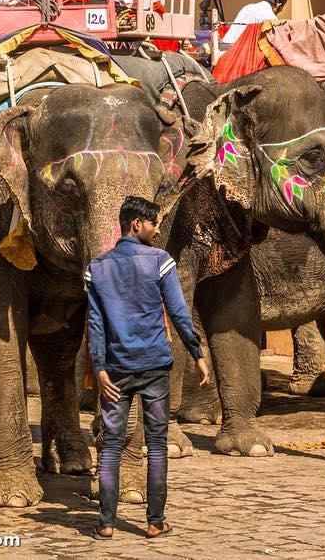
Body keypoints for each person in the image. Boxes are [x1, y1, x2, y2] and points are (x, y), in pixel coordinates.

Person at [85, 196, 210, 541]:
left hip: (115, 372)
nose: (157, 231)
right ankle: (155, 522)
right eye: (154, 224)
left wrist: (100, 369)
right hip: (155, 368)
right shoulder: (160, 261)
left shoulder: (97, 268)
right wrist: (197, 353)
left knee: (111, 446)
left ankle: (106, 523)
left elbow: (95, 324)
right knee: (156, 445)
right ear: (136, 224)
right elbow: (179, 313)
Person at [222, 0, 287, 44]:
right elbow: (276, 42)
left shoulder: (248, 7)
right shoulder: (270, 16)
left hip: (225, 46)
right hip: (239, 51)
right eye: (281, 8)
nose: (281, 11)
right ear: (278, 5)